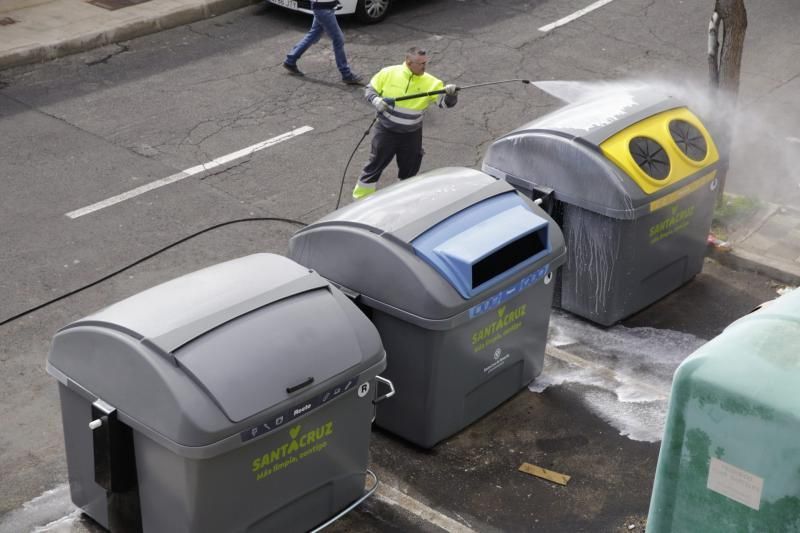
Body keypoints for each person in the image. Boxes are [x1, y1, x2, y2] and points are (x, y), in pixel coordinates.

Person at [352, 47, 458, 200]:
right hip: (386, 131)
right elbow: (370, 90)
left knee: (409, 171)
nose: (424, 67)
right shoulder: (388, 73)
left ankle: (402, 200)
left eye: (425, 63)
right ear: (408, 62)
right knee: (374, 165)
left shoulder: (432, 82)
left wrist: (451, 95)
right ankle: (360, 200)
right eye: (420, 63)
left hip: (411, 135)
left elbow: (445, 104)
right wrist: (376, 101)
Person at [283, 1, 362, 85]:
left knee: (313, 34)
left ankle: (290, 60)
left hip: (324, 7)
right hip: (323, 8)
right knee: (338, 39)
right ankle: (346, 74)